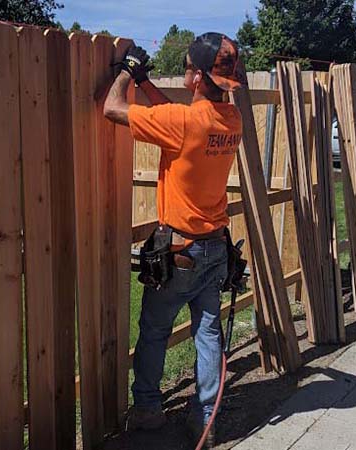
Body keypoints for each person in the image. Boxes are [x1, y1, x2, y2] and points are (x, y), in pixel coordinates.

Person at [104, 33, 243, 447]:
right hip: (215, 246)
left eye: (186, 66)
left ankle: (147, 410)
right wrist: (146, 82)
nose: (184, 72)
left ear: (197, 77)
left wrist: (126, 75)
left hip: (181, 252)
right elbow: (172, 116)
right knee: (208, 333)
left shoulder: (184, 124)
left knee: (154, 330)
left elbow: (112, 108)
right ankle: (205, 420)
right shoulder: (229, 119)